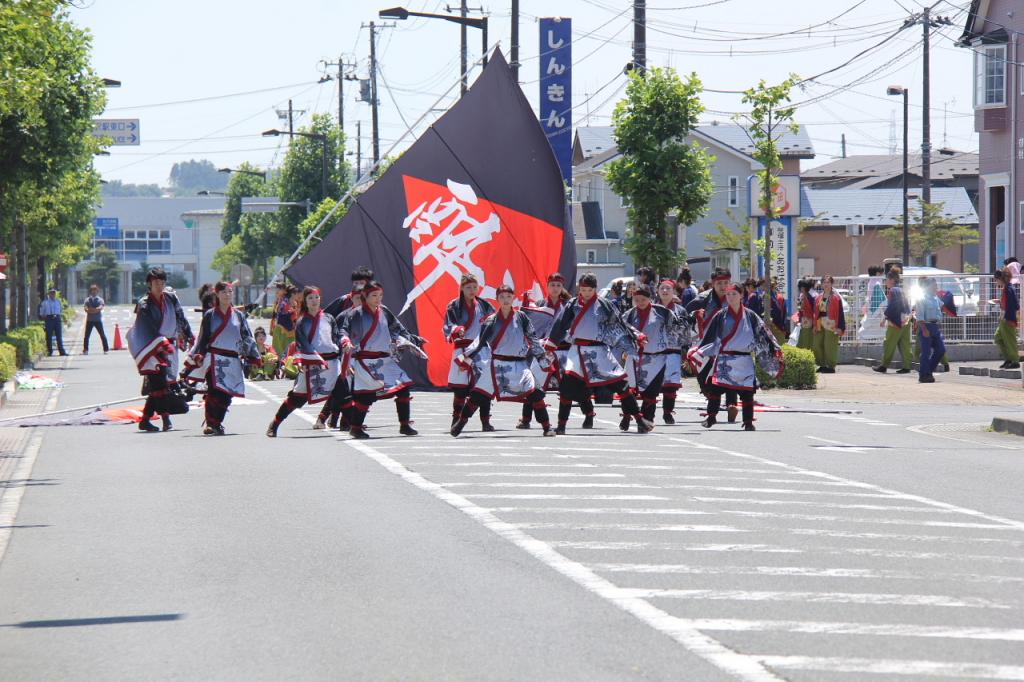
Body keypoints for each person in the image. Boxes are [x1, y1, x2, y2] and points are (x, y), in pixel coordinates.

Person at [548, 272, 648, 434]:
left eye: (589, 290)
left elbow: (620, 323)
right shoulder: (572, 304)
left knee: (621, 384)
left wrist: (637, 335)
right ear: (579, 288)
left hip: (600, 350)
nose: (586, 293)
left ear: (595, 289)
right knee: (566, 387)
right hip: (577, 352)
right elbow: (560, 324)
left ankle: (639, 419)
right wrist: (551, 343)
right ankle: (561, 425)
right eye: (583, 290)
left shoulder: (605, 305)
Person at [451, 285, 555, 436]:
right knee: (477, 395)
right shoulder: (491, 320)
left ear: (513, 298)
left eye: (508, 297)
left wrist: (541, 358)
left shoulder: (521, 317)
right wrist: (465, 359)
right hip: (496, 365)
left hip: (520, 365)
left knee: (536, 392)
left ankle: (546, 427)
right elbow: (479, 342)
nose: (506, 300)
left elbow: (532, 338)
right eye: (502, 297)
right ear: (497, 299)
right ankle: (460, 423)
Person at [338, 281, 425, 439]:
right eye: (374, 295)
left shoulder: (384, 311)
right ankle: (355, 428)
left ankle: (404, 425)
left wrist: (414, 340)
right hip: (365, 361)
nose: (378, 299)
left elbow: (398, 328)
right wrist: (346, 341)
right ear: (365, 296)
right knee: (366, 395)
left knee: (403, 388)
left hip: (385, 360)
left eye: (380, 295)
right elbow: (344, 330)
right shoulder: (355, 314)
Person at [689, 283, 782, 431]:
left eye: (734, 294)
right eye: (728, 295)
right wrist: (700, 351)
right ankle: (711, 417)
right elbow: (710, 337)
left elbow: (763, 334)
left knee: (747, 393)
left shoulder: (751, 316)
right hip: (725, 359)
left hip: (744, 360)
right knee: (715, 390)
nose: (731, 297)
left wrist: (774, 348)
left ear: (741, 296)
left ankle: (748, 421)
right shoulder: (720, 315)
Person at [183, 282, 261, 435]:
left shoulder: (238, 316)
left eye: (230, 292)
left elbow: (247, 337)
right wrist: (197, 355)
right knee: (214, 390)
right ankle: (211, 424)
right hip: (213, 357)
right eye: (224, 292)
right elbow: (203, 339)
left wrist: (253, 357)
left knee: (227, 394)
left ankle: (217, 422)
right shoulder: (210, 315)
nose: (227, 295)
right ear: (217, 294)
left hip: (232, 359)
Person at [266, 286, 343, 437]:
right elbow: (302, 344)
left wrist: (344, 350)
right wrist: (305, 361)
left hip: (332, 363)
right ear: (305, 301)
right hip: (312, 363)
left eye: (316, 297)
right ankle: (275, 423)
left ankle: (354, 425)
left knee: (343, 391)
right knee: (297, 398)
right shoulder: (302, 322)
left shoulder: (329, 318)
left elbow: (336, 338)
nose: (314, 301)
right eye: (310, 298)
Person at [126, 267, 193, 433]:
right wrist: (160, 344)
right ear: (149, 283)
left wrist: (189, 335)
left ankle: (145, 420)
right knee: (161, 384)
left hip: (169, 347)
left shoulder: (171, 298)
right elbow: (145, 329)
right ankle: (165, 419)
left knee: (158, 386)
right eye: (156, 281)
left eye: (162, 281)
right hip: (150, 348)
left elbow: (180, 317)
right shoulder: (144, 304)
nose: (159, 284)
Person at [518, 273, 588, 428]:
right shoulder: (540, 304)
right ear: (547, 287)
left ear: (562, 287)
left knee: (572, 386)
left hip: (564, 350)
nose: (555, 288)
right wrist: (526, 307)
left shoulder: (569, 306)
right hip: (544, 351)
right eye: (552, 285)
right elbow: (530, 326)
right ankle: (526, 419)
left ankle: (588, 414)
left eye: (558, 285)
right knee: (533, 383)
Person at [624, 283, 692, 428]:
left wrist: (690, 321)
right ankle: (626, 415)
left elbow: (678, 328)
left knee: (651, 392)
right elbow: (621, 331)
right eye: (637, 300)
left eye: (643, 299)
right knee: (629, 390)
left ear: (650, 298)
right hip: (635, 357)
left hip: (658, 358)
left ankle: (648, 419)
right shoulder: (629, 314)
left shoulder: (662, 312)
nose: (640, 303)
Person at [686, 268, 739, 422]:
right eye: (719, 283)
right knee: (705, 378)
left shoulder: (736, 297)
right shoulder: (702, 299)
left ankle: (731, 405)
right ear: (713, 284)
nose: (723, 287)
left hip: (730, 343)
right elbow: (685, 316)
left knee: (730, 375)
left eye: (726, 283)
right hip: (707, 345)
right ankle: (711, 399)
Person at [444, 273, 496, 431]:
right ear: (461, 288)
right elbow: (448, 324)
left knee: (484, 386)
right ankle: (455, 419)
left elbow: (495, 322)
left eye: (474, 287)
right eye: (468, 287)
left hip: (481, 350)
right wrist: (456, 329)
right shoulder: (454, 305)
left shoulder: (484, 305)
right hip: (462, 349)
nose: (472, 290)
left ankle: (485, 421)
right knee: (460, 388)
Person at [316, 283, 366, 430]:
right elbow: (334, 339)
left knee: (354, 391)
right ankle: (324, 418)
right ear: (351, 297)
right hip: (343, 358)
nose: (360, 302)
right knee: (341, 390)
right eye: (357, 298)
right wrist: (342, 362)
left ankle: (341, 421)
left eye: (363, 298)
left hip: (361, 358)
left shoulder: (370, 316)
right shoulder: (344, 316)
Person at [655, 279, 691, 424]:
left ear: (674, 292)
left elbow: (686, 333)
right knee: (652, 384)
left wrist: (686, 354)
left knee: (671, 385)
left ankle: (668, 412)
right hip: (654, 352)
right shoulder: (652, 308)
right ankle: (648, 412)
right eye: (662, 288)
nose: (665, 291)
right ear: (658, 291)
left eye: (668, 289)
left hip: (673, 351)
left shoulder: (680, 311)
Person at [872, 270, 912, 374]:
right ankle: (907, 366)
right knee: (905, 345)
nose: (886, 282)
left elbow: (892, 306)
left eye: (887, 280)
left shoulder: (892, 291)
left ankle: (884, 366)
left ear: (892, 280)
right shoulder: (901, 290)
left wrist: (885, 318)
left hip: (895, 322)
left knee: (889, 344)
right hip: (906, 320)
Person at [914, 277, 947, 384]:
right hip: (926, 326)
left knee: (941, 350)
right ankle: (924, 375)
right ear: (928, 287)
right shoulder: (921, 298)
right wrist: (924, 329)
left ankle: (928, 371)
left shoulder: (936, 298)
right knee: (926, 352)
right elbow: (919, 316)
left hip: (935, 326)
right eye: (934, 285)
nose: (936, 287)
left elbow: (942, 307)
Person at [812, 275, 845, 373]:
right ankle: (821, 364)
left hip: (831, 323)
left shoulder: (836, 297)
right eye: (824, 282)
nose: (826, 284)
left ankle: (830, 366)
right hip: (819, 322)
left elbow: (841, 313)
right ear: (821, 284)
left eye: (828, 282)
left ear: (831, 284)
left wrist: (840, 327)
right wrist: (814, 325)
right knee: (817, 344)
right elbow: (816, 312)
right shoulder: (818, 297)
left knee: (829, 344)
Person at [993, 269, 1020, 369]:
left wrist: (1006, 316)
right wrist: (999, 302)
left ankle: (1015, 361)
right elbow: (1014, 305)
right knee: (998, 338)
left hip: (1008, 319)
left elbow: (1014, 305)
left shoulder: (1008, 289)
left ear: (1001, 278)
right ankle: (1009, 359)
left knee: (1010, 341)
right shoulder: (1007, 288)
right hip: (1004, 319)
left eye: (996, 279)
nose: (996, 282)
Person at [270, 283, 297, 361]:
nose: (277, 292)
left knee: (290, 351)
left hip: (291, 330)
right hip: (281, 329)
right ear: (292, 294)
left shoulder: (294, 303)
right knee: (280, 351)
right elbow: (279, 314)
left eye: (279, 289)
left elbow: (294, 317)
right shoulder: (283, 301)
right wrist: (291, 312)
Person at [38, 289, 67, 356]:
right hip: (49, 318)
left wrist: (59, 317)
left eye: (54, 293)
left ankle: (62, 351)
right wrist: (45, 317)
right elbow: (42, 312)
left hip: (57, 318)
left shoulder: (58, 302)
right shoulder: (45, 302)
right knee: (49, 335)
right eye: (51, 293)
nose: (53, 295)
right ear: (49, 294)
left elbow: (61, 310)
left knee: (59, 336)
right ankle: (49, 351)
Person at [82, 284, 109, 355]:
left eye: (95, 290)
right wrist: (93, 310)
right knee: (86, 336)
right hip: (89, 320)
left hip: (97, 320)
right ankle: (85, 350)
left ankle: (106, 349)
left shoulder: (100, 300)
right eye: (92, 290)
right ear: (90, 291)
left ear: (97, 291)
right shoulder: (87, 300)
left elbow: (100, 308)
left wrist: (92, 310)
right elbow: (86, 309)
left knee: (102, 334)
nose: (94, 292)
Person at [762, 278, 789, 344]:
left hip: (772, 326)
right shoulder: (780, 297)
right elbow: (784, 312)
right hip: (780, 326)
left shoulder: (767, 296)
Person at [794, 279, 816, 351]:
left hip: (807, 321)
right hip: (805, 321)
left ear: (803, 288)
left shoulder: (807, 297)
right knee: (804, 340)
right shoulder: (807, 296)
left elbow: (810, 311)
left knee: (805, 341)